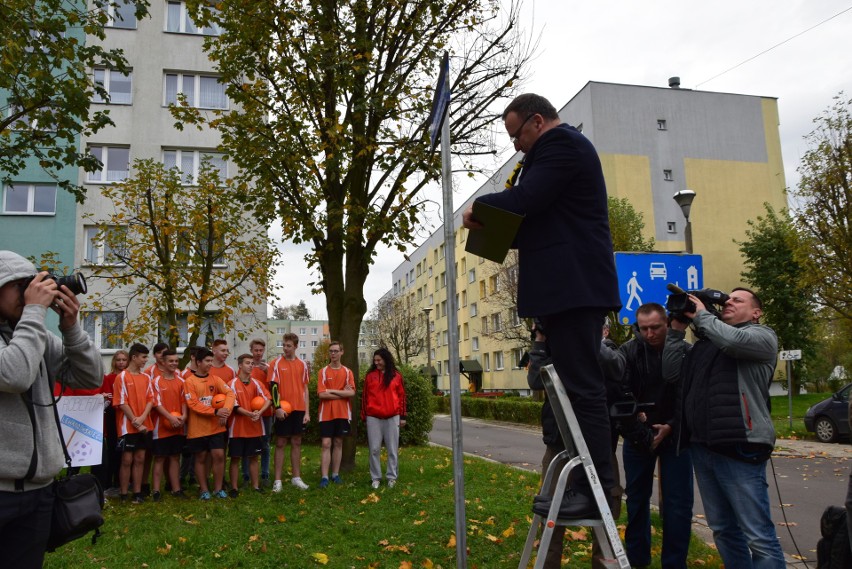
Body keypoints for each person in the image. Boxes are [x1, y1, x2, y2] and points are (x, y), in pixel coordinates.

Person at [463, 93, 621, 518]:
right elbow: (528, 224)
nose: (515, 145)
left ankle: (598, 490)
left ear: (536, 121)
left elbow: (525, 202)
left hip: (574, 287)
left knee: (585, 391)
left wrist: (479, 207)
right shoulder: (549, 153)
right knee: (573, 391)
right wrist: (491, 224)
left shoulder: (561, 144)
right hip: (564, 290)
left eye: (516, 135)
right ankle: (584, 485)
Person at [0, 251, 103, 568]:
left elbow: (89, 377)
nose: (28, 293)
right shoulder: (32, 329)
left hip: (40, 491)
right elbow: (14, 374)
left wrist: (71, 327)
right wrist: (34, 312)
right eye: (18, 285)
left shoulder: (37, 335)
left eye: (29, 284)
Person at [678, 288, 786, 568]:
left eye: (738, 300)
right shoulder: (710, 341)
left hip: (741, 445)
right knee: (723, 530)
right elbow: (671, 373)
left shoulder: (762, 337)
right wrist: (677, 327)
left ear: (756, 312)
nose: (728, 302)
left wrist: (702, 315)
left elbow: (733, 341)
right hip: (704, 446)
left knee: (758, 536)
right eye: (727, 300)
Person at [528, 320, 624, 568]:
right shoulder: (556, 350)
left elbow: (617, 368)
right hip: (559, 445)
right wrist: (541, 339)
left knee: (606, 510)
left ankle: (603, 564)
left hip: (599, 448)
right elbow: (536, 381)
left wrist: (584, 338)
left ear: (604, 331)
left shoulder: (609, 351)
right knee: (552, 509)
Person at [619, 303, 692, 569]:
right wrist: (641, 431)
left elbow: (691, 397)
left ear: (667, 323)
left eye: (655, 328)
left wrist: (671, 425)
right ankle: (637, 561)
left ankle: (674, 563)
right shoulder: (628, 351)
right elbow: (621, 396)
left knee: (679, 504)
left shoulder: (685, 352)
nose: (649, 334)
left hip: (677, 434)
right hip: (638, 436)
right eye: (643, 328)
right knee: (637, 500)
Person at [184, 347, 235, 500]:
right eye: (207, 361)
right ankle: (204, 489)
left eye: (211, 361)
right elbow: (192, 404)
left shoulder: (215, 379)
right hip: (197, 428)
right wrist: (214, 412)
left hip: (215, 427)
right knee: (200, 457)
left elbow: (230, 393)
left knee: (219, 455)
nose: (210, 364)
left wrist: (225, 410)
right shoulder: (189, 381)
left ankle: (218, 489)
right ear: (198, 362)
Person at [268, 333, 311, 491]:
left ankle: (296, 477)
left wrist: (307, 412)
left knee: (297, 442)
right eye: (284, 345)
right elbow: (273, 386)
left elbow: (305, 389)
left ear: (295, 346)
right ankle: (277, 481)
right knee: (280, 442)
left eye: (288, 346)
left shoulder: (303, 365)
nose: (285, 348)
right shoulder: (276, 363)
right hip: (283, 409)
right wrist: (277, 407)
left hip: (299, 409)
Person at [114, 343, 155, 503]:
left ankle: (137, 493)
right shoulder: (122, 377)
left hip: (144, 425)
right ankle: (124, 493)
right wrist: (135, 421)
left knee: (140, 459)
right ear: (134, 357)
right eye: (144, 357)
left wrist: (143, 418)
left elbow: (150, 399)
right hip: (127, 426)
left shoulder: (146, 377)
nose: (146, 360)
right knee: (127, 460)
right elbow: (121, 402)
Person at [361, 348, 407, 489]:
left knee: (392, 449)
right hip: (373, 417)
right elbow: (364, 397)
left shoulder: (396, 376)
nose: (376, 363)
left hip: (392, 417)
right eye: (375, 361)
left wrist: (403, 416)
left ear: (386, 359)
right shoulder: (370, 377)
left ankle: (391, 477)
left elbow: (402, 397)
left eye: (379, 360)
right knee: (374, 449)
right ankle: (376, 477)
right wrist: (364, 415)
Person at [227, 354, 271, 496]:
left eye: (252, 363)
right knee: (235, 458)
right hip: (237, 429)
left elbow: (268, 399)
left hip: (254, 428)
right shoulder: (232, 384)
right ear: (240, 365)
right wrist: (249, 414)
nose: (251, 365)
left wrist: (260, 412)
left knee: (254, 457)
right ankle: (234, 488)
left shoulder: (257, 383)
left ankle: (256, 486)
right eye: (247, 363)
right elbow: (233, 405)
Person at [317, 341, 355, 488]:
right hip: (326, 413)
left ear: (341, 352)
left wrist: (332, 391)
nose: (333, 354)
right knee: (326, 443)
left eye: (335, 351)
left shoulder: (347, 372)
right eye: (331, 351)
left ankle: (335, 475)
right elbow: (321, 394)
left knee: (338, 442)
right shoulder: (323, 372)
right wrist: (342, 393)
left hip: (343, 412)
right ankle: (324, 477)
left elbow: (351, 392)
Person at [150, 350, 187, 501]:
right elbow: (156, 404)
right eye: (170, 361)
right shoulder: (156, 382)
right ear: (163, 363)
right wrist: (169, 417)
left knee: (175, 457)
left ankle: (176, 488)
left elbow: (185, 401)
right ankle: (156, 490)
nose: (174, 364)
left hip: (178, 425)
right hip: (161, 427)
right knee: (159, 458)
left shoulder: (181, 382)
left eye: (176, 361)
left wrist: (183, 416)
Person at [101, 350, 129, 495]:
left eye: (124, 359)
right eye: (118, 360)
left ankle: (122, 481)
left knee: (126, 451)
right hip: (113, 415)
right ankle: (109, 482)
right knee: (113, 449)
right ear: (114, 362)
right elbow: (108, 398)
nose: (121, 362)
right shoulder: (109, 378)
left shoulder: (130, 378)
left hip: (127, 416)